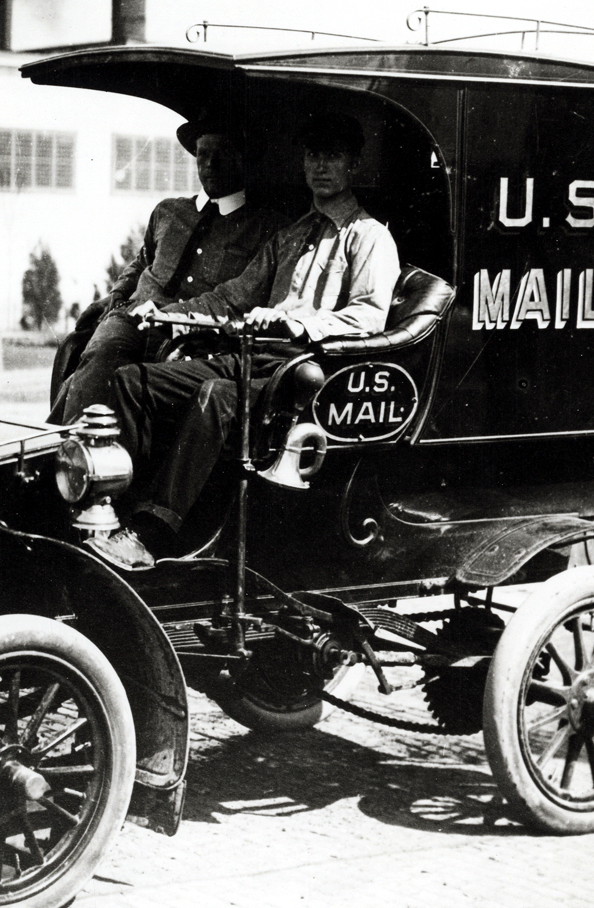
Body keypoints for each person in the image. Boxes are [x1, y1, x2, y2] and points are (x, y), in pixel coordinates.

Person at [92, 111, 402, 569]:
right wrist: (166, 315)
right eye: (313, 155)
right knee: (130, 381)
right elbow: (231, 298)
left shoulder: (370, 237)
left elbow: (370, 315)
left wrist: (301, 324)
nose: (320, 166)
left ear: (353, 164)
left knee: (216, 396)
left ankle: (151, 535)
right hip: (250, 358)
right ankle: (113, 512)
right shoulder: (290, 236)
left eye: (332, 156)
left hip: (303, 372)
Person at [48, 115, 287, 424]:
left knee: (132, 387)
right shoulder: (169, 210)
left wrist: (173, 316)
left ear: (244, 158)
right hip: (133, 317)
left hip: (199, 333)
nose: (210, 163)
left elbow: (240, 295)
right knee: (99, 359)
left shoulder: (265, 227)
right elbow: (141, 262)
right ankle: (69, 457)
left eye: (223, 153)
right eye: (203, 154)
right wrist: (114, 298)